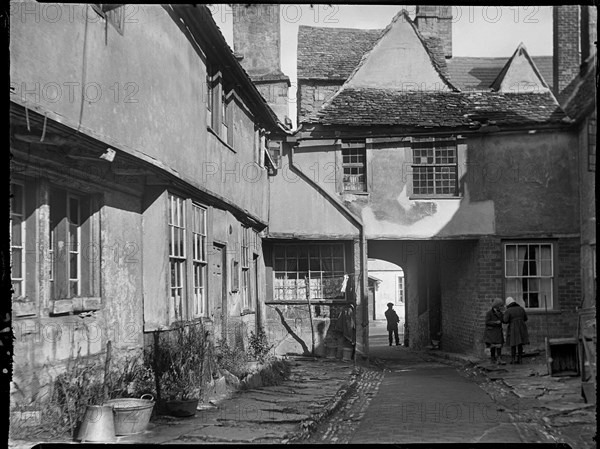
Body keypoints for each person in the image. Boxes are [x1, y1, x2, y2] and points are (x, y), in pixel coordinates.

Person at [503, 296, 529, 364]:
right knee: (520, 344)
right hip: (522, 328)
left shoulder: (508, 310)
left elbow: (505, 320)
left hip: (513, 328)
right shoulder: (521, 309)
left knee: (513, 344)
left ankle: (513, 359)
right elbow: (526, 318)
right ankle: (520, 359)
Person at [483, 298, 506, 365]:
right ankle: (493, 358)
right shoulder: (489, 313)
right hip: (491, 332)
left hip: (498, 331)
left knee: (499, 345)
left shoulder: (500, 313)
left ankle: (499, 358)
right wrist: (495, 322)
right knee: (492, 346)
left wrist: (504, 315)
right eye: (500, 306)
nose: (501, 307)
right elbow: (487, 322)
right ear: (497, 306)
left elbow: (504, 321)